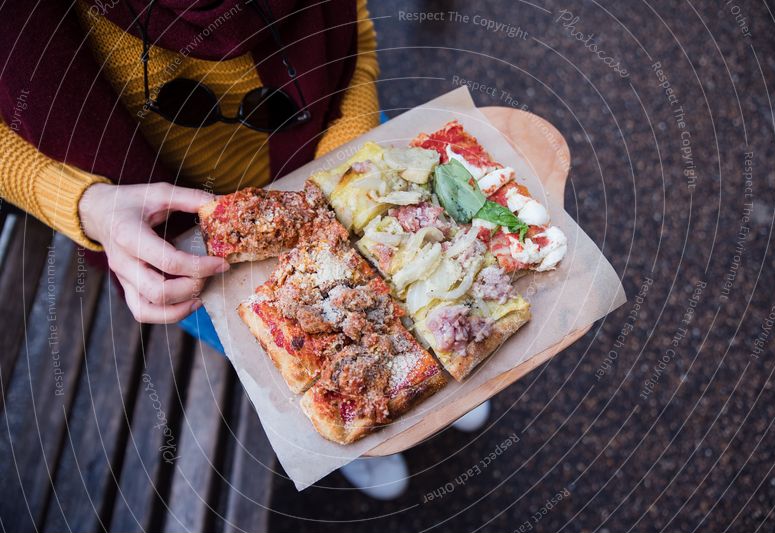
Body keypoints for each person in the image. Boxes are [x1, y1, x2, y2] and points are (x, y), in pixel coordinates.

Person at [0, 0, 489, 499]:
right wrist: (83, 202)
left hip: (335, 143)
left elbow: (352, 23)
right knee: (284, 372)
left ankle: (441, 350)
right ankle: (358, 430)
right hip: (169, 236)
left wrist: (347, 154)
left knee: (425, 293)